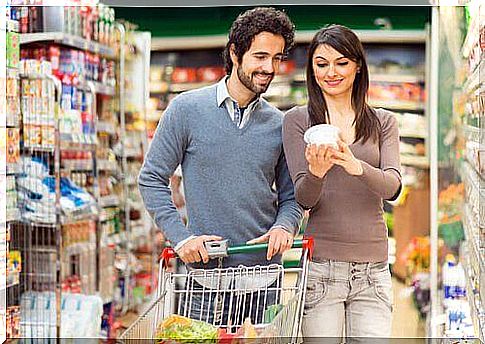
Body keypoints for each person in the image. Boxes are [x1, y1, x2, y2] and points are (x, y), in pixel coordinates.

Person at [138, 7, 302, 326]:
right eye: (260, 56)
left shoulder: (279, 124)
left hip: (263, 282)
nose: (269, 68)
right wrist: (181, 238)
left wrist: (285, 226)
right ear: (235, 53)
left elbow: (292, 197)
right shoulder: (186, 110)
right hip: (205, 284)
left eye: (277, 58)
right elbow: (152, 179)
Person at [282, 24, 401, 341]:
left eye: (341, 62)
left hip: (373, 269)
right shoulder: (297, 120)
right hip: (322, 267)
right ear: (312, 69)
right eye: (321, 64)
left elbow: (392, 187)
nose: (330, 72)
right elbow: (305, 199)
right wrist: (317, 173)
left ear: (358, 66)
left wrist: (354, 165)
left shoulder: (383, 122)